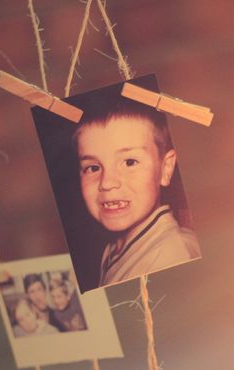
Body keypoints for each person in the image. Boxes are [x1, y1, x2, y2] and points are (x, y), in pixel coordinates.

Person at [73, 97, 201, 287]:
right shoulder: (116, 247)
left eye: (130, 162)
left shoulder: (168, 257)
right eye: (92, 167)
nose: (107, 183)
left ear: (165, 169)